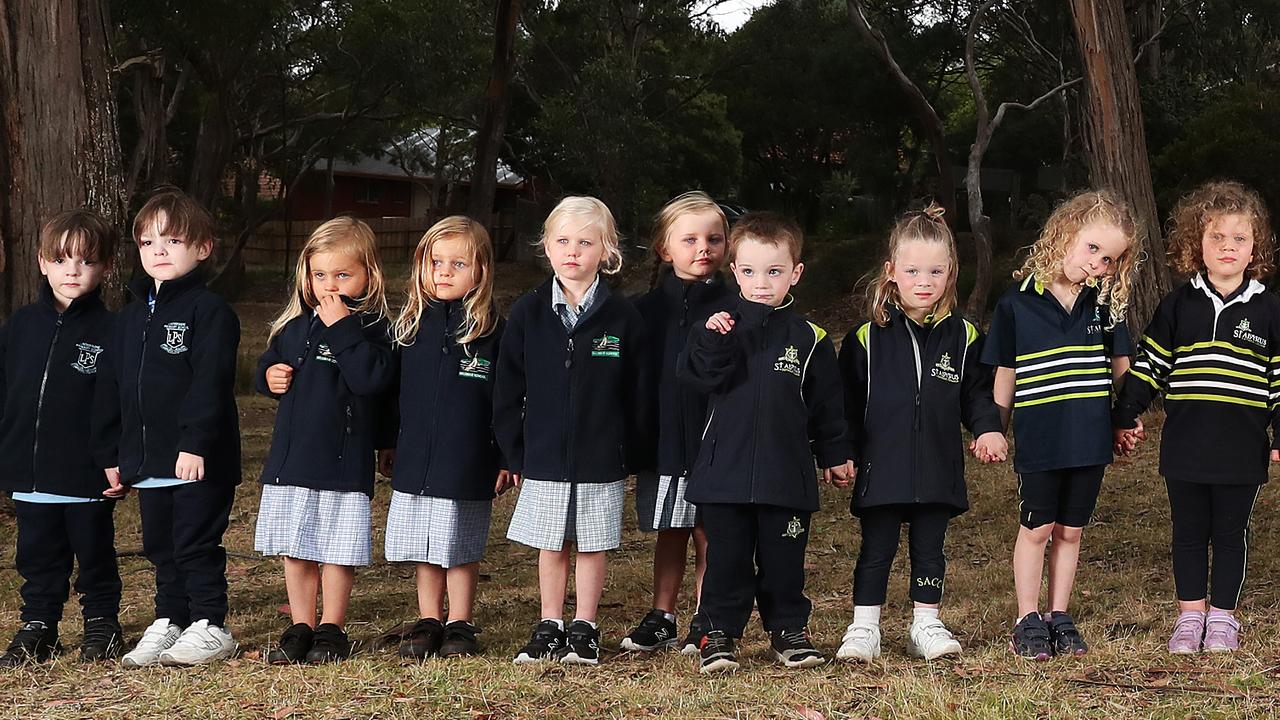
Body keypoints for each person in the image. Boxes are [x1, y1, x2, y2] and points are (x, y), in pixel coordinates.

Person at [679, 212, 853, 673]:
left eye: (774, 271)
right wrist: (714, 342)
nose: (761, 282)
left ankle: (789, 632)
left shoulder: (811, 339)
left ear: (795, 273)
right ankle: (716, 633)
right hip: (724, 476)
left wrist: (835, 455)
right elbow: (697, 380)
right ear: (734, 270)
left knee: (784, 563)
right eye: (750, 271)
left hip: (786, 478)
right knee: (727, 561)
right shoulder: (714, 327)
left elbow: (827, 407)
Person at [1113, 181, 1280, 654]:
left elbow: (1278, 378)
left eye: (1240, 239)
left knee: (1230, 533)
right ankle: (1190, 617)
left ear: (1255, 248)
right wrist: (1125, 413)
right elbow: (1148, 367)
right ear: (1195, 245)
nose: (1228, 247)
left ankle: (1223, 618)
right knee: (1187, 532)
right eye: (1216, 238)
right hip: (1186, 445)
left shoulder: (1269, 311)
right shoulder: (1177, 306)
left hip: (1241, 448)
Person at [836, 203, 1006, 663]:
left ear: (950, 273)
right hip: (882, 465)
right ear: (892, 272)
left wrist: (988, 429)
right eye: (912, 270)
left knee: (930, 550)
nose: (923, 281)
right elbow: (845, 406)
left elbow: (977, 395)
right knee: (877, 550)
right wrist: (841, 451)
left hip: (937, 465)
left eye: (935, 271)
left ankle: (925, 623)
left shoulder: (966, 335)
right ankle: (864, 627)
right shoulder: (865, 338)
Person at [495, 196, 653, 665]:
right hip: (543, 455)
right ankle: (550, 623)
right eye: (563, 241)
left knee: (591, 542)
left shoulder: (623, 317)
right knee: (551, 543)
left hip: (601, 456)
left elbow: (639, 393)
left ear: (607, 250)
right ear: (546, 246)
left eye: (586, 243)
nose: (573, 251)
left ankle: (584, 624)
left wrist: (632, 451)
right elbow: (507, 389)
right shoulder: (527, 312)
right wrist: (514, 452)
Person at [982, 189, 1139, 660]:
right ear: (1064, 233)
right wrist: (994, 428)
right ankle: (1026, 617)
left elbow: (1122, 369)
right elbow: (1004, 376)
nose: (1098, 264)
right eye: (1092, 248)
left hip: (1089, 441)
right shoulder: (1017, 304)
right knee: (1038, 528)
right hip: (1040, 439)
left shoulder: (1105, 307)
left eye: (1109, 259)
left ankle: (1059, 615)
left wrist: (1124, 419)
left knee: (1071, 531)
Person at [93, 188, 242, 667]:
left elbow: (210, 382)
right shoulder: (129, 318)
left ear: (202, 248)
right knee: (161, 546)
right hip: (147, 458)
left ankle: (210, 624)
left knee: (194, 541)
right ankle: (171, 619)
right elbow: (111, 388)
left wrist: (196, 442)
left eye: (173, 240)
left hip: (198, 458)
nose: (159, 250)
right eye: (148, 241)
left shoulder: (209, 311)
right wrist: (111, 454)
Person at [255, 217, 394, 664]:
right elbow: (271, 364)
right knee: (297, 548)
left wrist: (342, 329)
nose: (329, 285)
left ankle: (332, 626)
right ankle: (301, 624)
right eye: (319, 275)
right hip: (293, 458)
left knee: (336, 549)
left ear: (368, 275)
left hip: (343, 461)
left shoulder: (374, 330)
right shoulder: (295, 327)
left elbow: (370, 380)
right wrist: (268, 376)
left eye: (342, 275)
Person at [379, 216, 507, 659]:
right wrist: (388, 442)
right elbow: (394, 395)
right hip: (417, 456)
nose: (445, 272)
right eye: (436, 262)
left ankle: (460, 623)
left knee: (459, 545)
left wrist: (507, 456)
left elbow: (508, 400)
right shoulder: (410, 326)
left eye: (458, 263)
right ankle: (429, 619)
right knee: (425, 545)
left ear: (481, 270)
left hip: (469, 458)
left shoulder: (492, 331)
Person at [0, 210, 123, 666]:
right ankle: (38, 625)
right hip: (30, 473)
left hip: (86, 473)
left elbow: (120, 405)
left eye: (86, 261)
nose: (73, 270)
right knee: (37, 557)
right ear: (41, 262)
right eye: (61, 259)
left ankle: (102, 625)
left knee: (93, 554)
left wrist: (116, 457)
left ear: (106, 267)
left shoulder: (113, 331)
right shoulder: (20, 326)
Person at [622, 192, 733, 655]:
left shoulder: (738, 306)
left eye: (713, 238)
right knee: (671, 529)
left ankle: (706, 620)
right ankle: (662, 614)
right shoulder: (643, 311)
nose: (702, 247)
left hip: (717, 441)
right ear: (666, 249)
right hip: (664, 439)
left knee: (710, 531)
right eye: (689, 239)